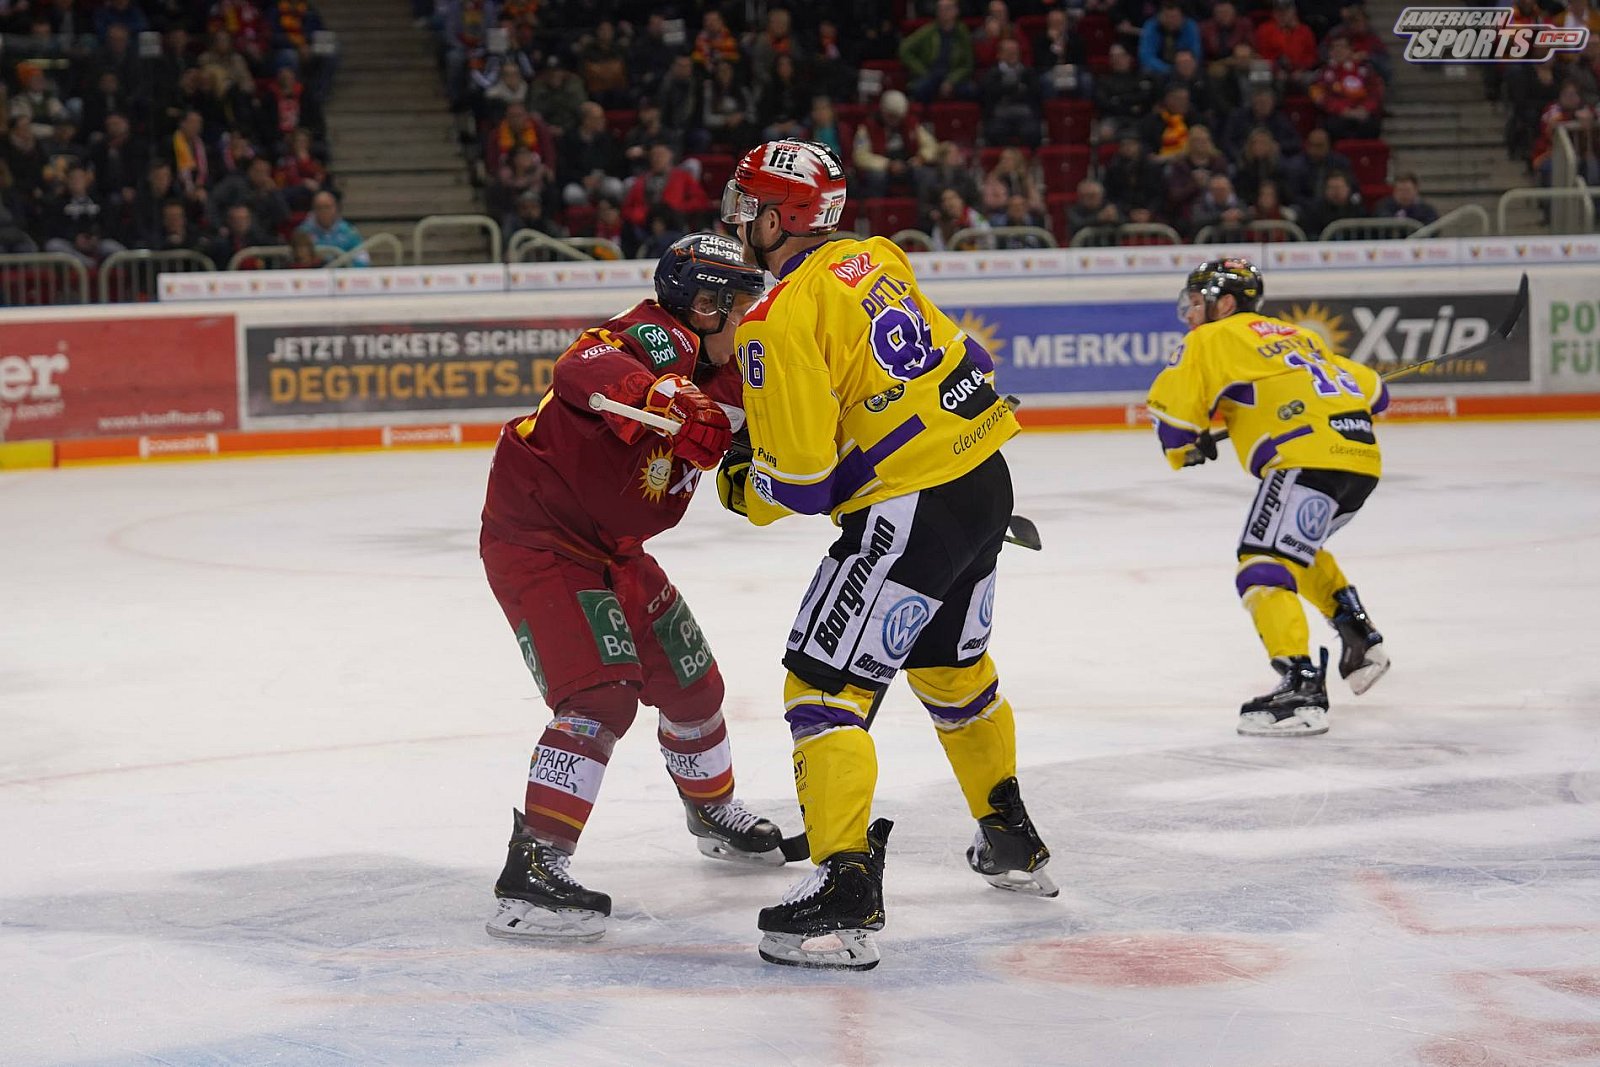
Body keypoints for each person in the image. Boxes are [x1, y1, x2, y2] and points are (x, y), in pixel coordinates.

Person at [716, 139, 1058, 971]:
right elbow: (970, 362)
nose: (737, 219)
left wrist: (737, 479)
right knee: (951, 669)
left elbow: (799, 484)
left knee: (823, 687)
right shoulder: (877, 257)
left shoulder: (776, 316)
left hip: (909, 508)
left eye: (747, 207)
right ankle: (1010, 836)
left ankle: (843, 893)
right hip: (984, 478)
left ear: (775, 219)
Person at [480, 232, 787, 943]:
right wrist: (662, 396)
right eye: (742, 304)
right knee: (599, 695)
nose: (753, 317)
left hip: (615, 550)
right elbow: (579, 365)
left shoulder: (738, 373)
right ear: (704, 306)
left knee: (693, 682)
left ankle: (711, 810)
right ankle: (533, 867)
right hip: (541, 541)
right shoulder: (656, 338)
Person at [1145, 259, 1391, 738]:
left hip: (1304, 456)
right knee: (1293, 549)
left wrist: (1185, 448)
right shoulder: (1300, 337)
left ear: (1225, 304)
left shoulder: (1212, 338)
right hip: (1359, 460)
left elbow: (1174, 422)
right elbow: (1377, 394)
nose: (1191, 313)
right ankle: (1359, 637)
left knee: (1261, 563)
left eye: (1197, 302)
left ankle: (1300, 687)